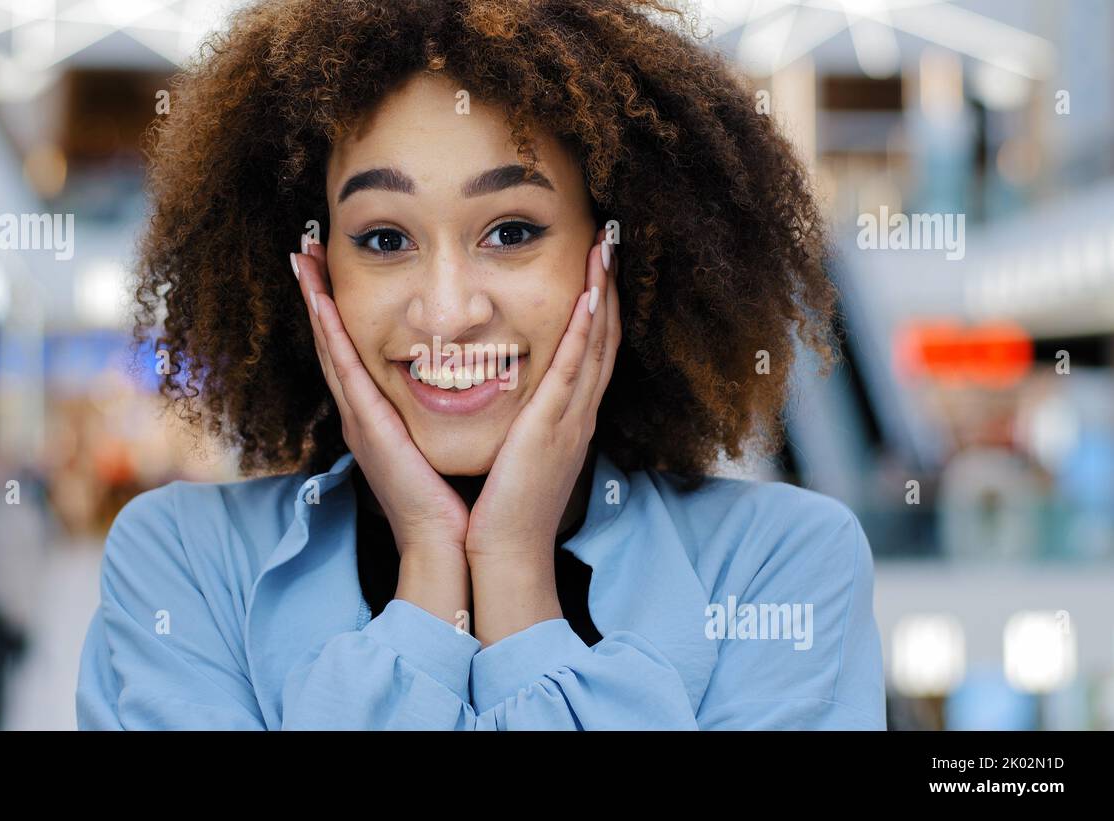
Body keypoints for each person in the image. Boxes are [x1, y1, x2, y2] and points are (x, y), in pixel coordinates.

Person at [76, 0, 885, 729]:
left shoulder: (780, 566)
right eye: (385, 239)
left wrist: (514, 570)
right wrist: (430, 557)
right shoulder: (183, 563)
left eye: (511, 231)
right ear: (313, 271)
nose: (448, 311)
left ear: (618, 253)